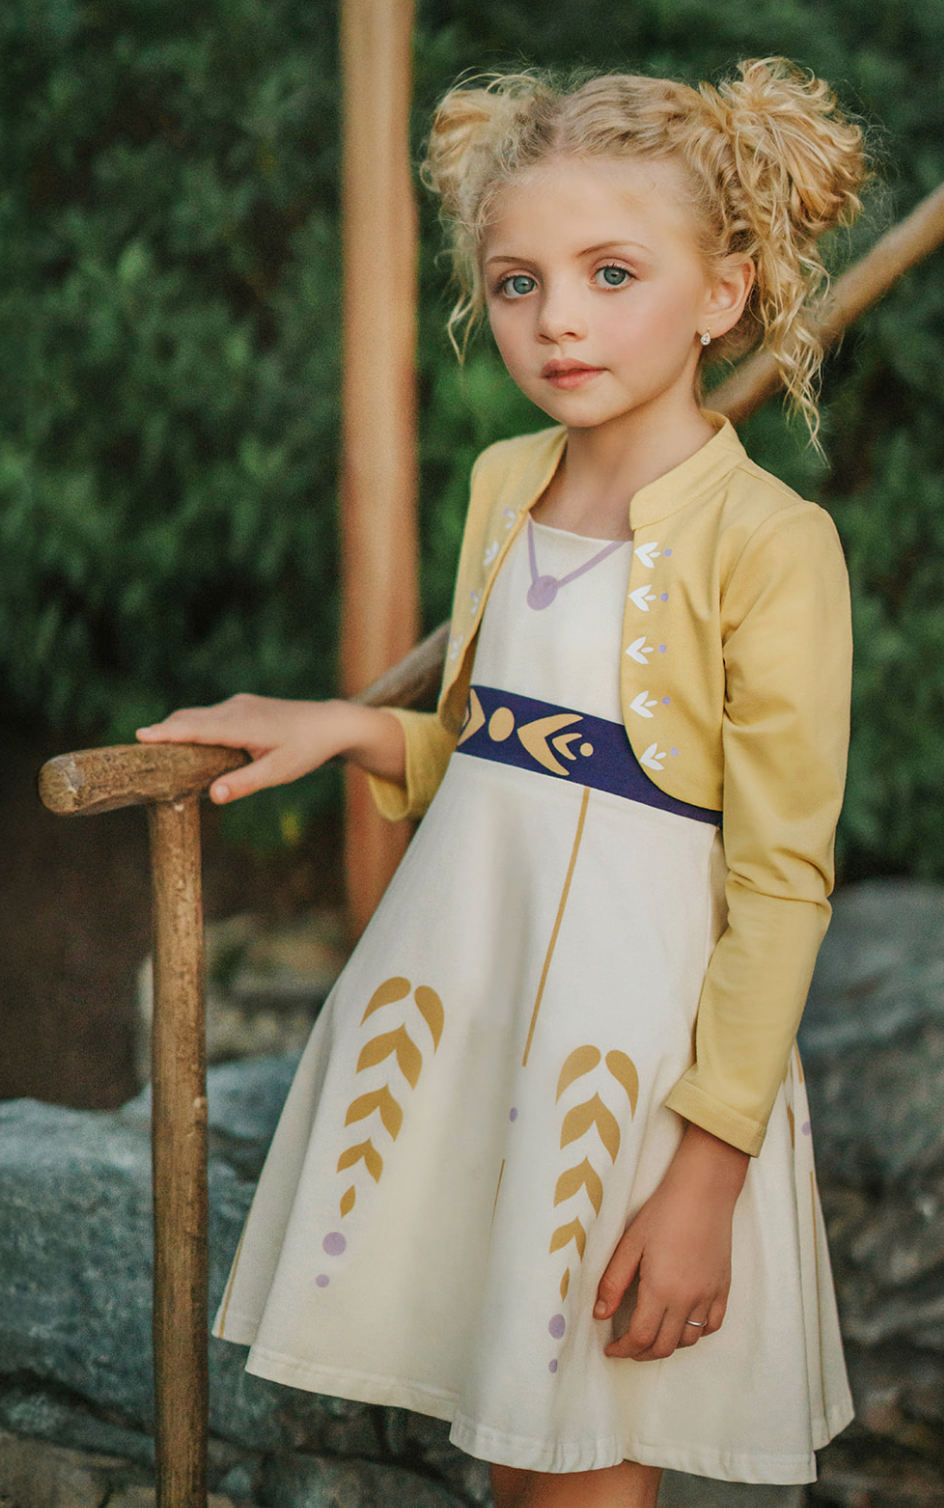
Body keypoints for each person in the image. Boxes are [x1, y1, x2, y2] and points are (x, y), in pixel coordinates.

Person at [138, 58, 865, 1508]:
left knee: (584, 1435)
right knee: (513, 1430)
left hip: (629, 1051)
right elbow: (515, 757)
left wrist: (707, 1168)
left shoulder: (771, 544)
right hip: (475, 1014)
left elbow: (780, 872)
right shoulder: (500, 482)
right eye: (519, 281)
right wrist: (352, 733)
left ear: (724, 294)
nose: (560, 320)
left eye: (611, 272)